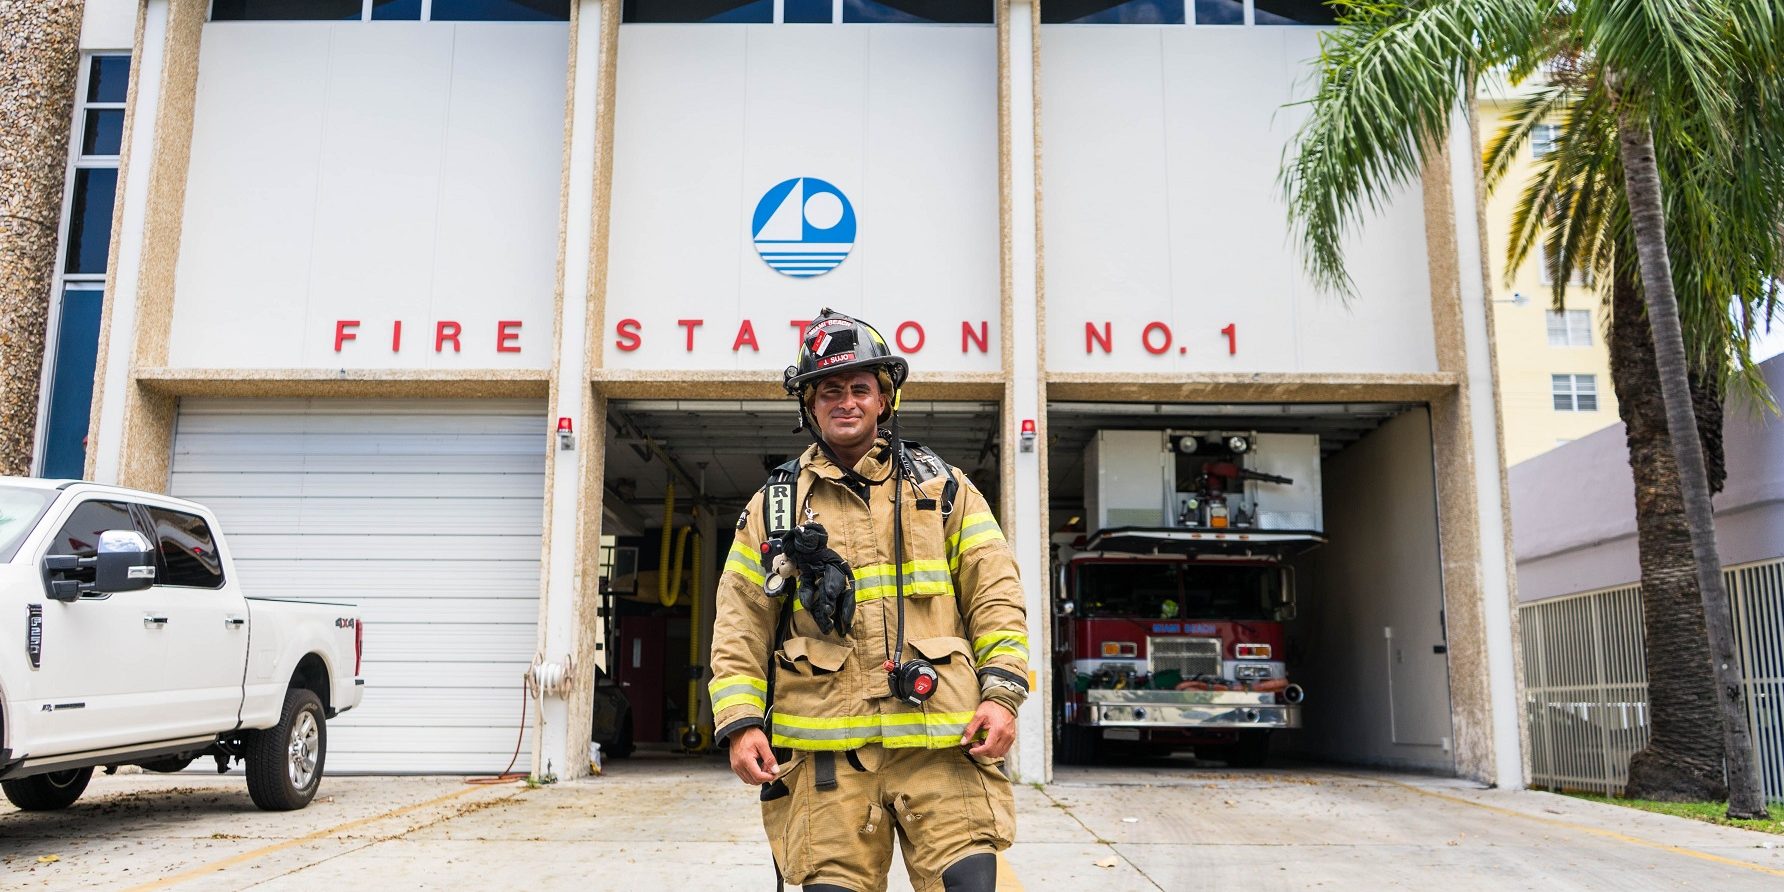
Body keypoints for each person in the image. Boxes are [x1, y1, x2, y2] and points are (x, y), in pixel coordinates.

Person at [708, 308, 1030, 892]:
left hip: (941, 747)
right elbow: (739, 624)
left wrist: (1004, 694)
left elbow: (997, 597)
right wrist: (739, 723)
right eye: (829, 390)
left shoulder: (944, 489)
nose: (847, 401)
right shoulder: (773, 508)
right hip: (828, 766)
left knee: (973, 886)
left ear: (885, 400)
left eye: (861, 388)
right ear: (810, 405)